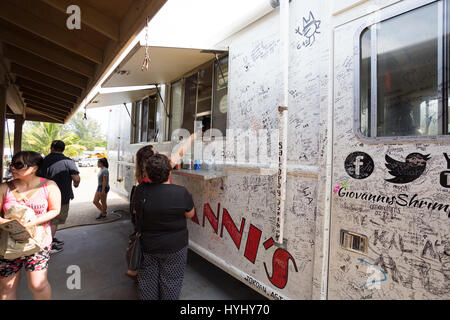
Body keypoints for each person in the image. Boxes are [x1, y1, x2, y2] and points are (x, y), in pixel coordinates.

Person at [0, 151, 61, 300]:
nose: (12, 168)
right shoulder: (4, 188)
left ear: (34, 167)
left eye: (18, 165)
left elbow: (55, 210)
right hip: (9, 245)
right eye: (11, 164)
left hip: (38, 243)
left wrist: (33, 222)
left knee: (38, 285)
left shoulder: (49, 186)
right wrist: (8, 224)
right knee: (7, 286)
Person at [134, 154, 195, 300]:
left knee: (147, 284)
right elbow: (190, 214)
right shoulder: (181, 192)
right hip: (175, 247)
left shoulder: (140, 190)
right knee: (172, 283)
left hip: (147, 246)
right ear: (169, 172)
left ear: (148, 173)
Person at [39, 140, 80, 254]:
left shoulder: (43, 160)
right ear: (63, 149)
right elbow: (76, 178)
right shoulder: (68, 161)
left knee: (46, 220)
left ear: (51, 148)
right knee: (54, 221)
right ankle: (49, 245)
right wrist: (76, 185)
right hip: (62, 196)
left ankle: (50, 238)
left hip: (43, 194)